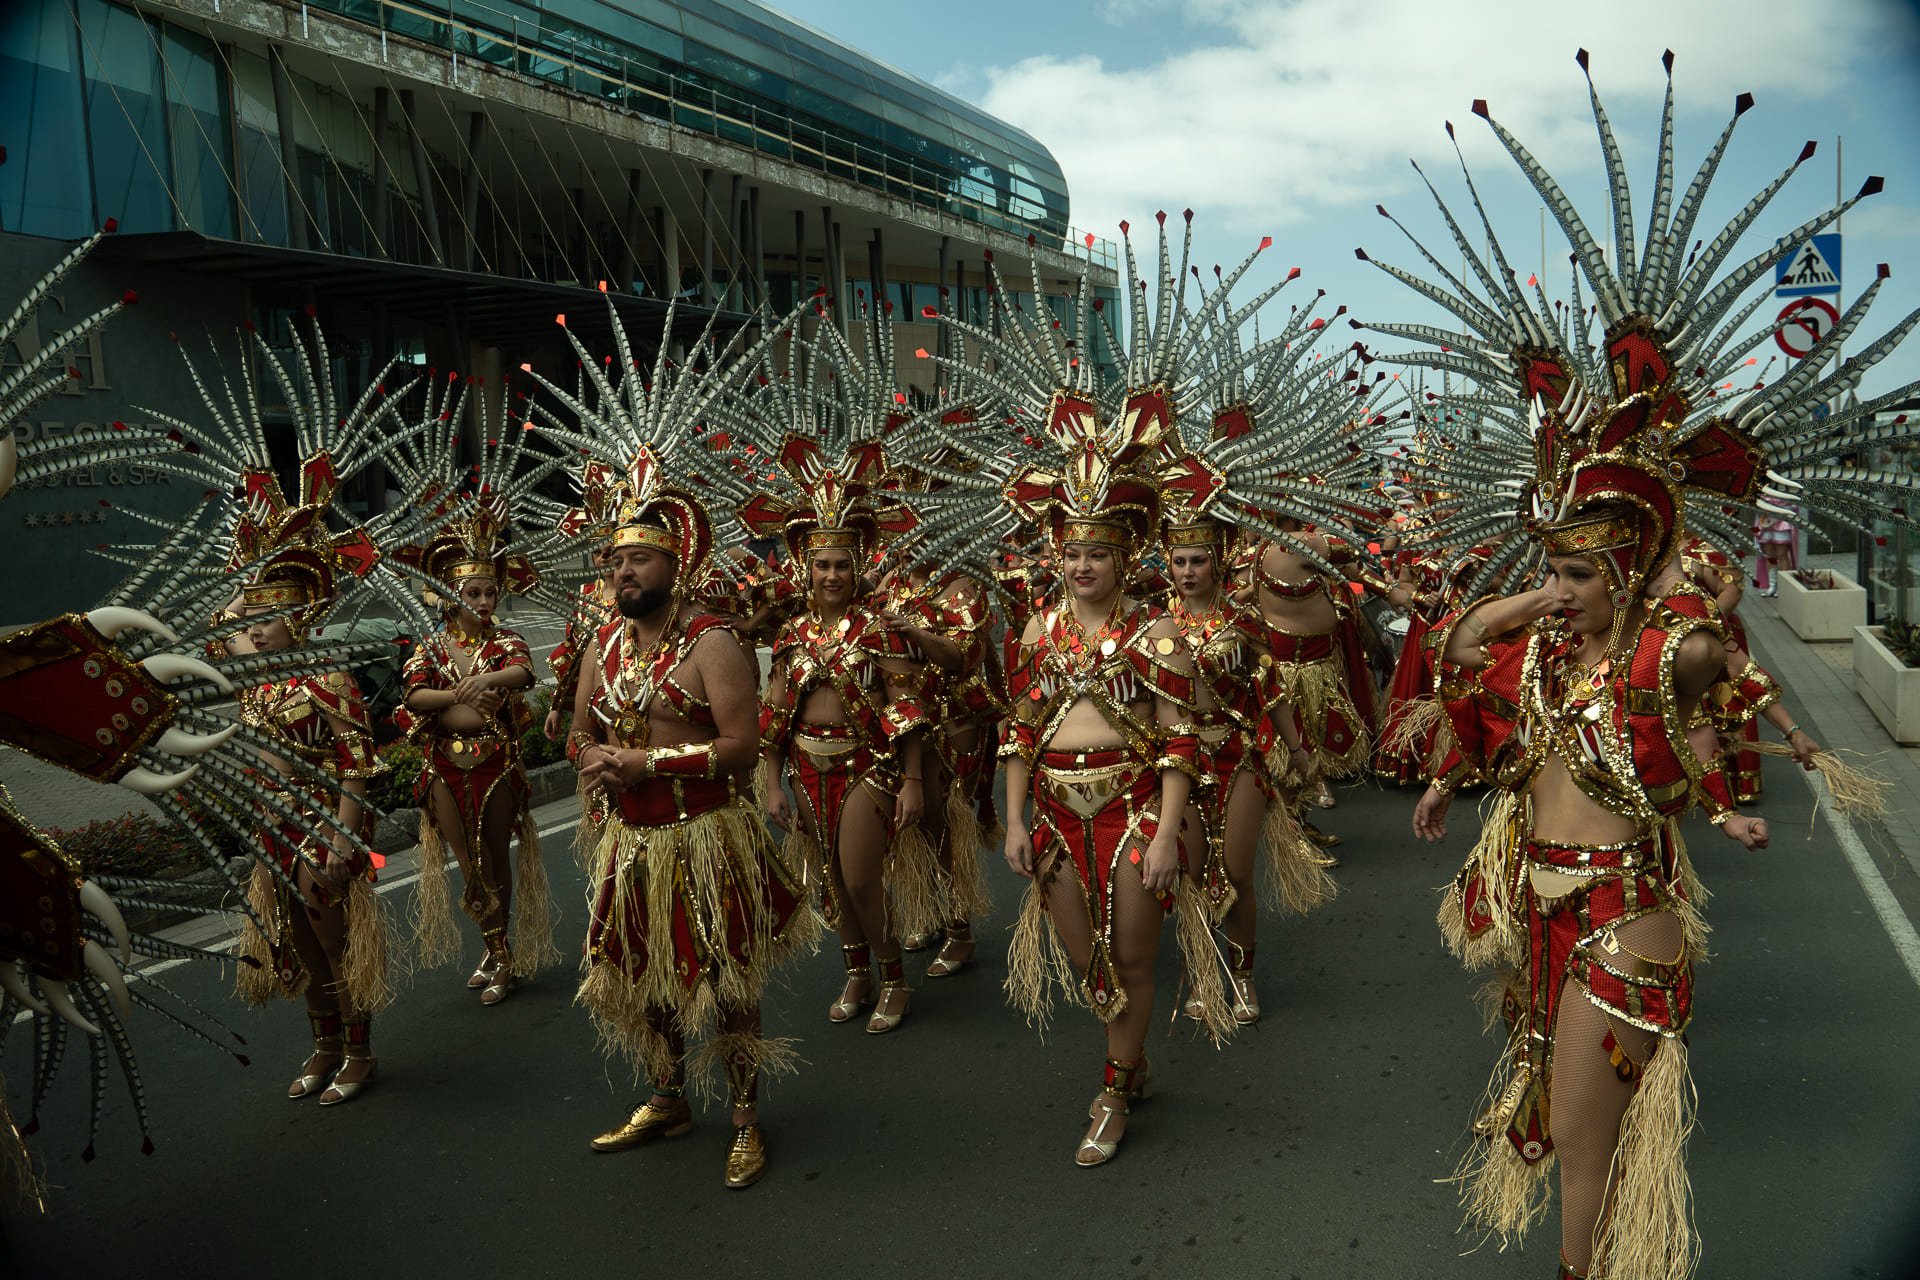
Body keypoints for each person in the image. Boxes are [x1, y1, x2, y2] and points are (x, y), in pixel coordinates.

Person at [570, 499, 814, 1188]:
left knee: (727, 980)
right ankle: (667, 1098)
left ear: (677, 566)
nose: (624, 572)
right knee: (645, 975)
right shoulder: (604, 645)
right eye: (616, 562)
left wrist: (648, 764)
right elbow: (577, 727)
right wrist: (590, 757)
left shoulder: (713, 642)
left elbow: (742, 747)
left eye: (639, 559)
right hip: (633, 840)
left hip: (706, 835)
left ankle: (745, 1120)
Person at [759, 521, 940, 1034]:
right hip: (806, 768)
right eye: (822, 565)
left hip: (866, 766)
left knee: (861, 879)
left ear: (857, 570)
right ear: (806, 570)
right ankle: (857, 974)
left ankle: (894, 979)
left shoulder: (877, 630)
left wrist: (912, 782)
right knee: (834, 882)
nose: (832, 575)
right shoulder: (790, 635)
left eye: (842, 565)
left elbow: (905, 709)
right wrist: (773, 783)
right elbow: (775, 717)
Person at [228, 555, 392, 1107]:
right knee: (300, 942)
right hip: (274, 825)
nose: (252, 630)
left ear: (297, 620)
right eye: (251, 620)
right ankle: (325, 1046)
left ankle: (360, 1054)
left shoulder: (328, 678)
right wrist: (251, 571)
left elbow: (356, 764)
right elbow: (219, 631)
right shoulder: (261, 677)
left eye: (265, 620)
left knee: (334, 940)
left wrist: (344, 841)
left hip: (325, 819)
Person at [1164, 514, 1335, 1024]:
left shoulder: (1243, 618)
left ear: (1216, 565)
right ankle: (1202, 973)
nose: (1189, 571)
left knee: (1234, 871)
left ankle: (1243, 976)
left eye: (1198, 561)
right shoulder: (1155, 626)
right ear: (1168, 566)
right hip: (1177, 763)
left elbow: (1271, 688)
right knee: (1191, 876)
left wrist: (1298, 750)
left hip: (1237, 756)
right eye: (1180, 562)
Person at [396, 514, 558, 1004]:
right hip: (445, 765)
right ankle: (494, 944)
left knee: (495, 855)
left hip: (495, 764)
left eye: (490, 594)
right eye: (474, 595)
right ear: (449, 598)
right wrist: (456, 699)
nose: (485, 603)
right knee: (466, 860)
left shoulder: (504, 642)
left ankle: (503, 956)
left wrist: (484, 683)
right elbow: (413, 695)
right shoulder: (429, 646)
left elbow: (523, 673)